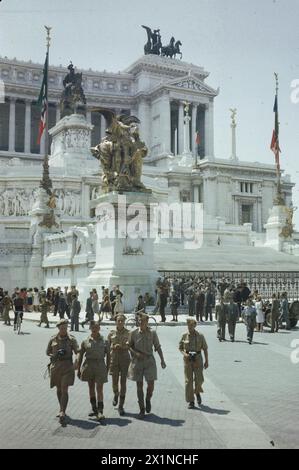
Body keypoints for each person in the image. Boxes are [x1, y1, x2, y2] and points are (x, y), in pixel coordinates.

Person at [127, 313, 166, 418]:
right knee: (139, 386)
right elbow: (129, 346)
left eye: (143, 321)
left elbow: (157, 347)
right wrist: (135, 353)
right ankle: (142, 409)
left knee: (151, 385)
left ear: (147, 322)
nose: (140, 322)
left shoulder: (153, 333)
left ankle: (148, 399)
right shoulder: (133, 333)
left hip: (149, 361)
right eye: (139, 321)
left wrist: (162, 360)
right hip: (138, 362)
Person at [46, 319, 79, 424]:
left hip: (67, 367)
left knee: (64, 388)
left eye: (65, 328)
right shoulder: (53, 339)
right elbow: (47, 352)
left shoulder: (72, 339)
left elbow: (77, 351)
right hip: (56, 367)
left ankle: (62, 411)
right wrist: (55, 355)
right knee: (59, 389)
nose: (64, 330)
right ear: (58, 328)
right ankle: (61, 407)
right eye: (62, 328)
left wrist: (77, 361)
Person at [77, 321, 108, 420]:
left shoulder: (105, 341)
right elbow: (80, 356)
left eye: (97, 327)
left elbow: (109, 355)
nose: (94, 329)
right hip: (89, 366)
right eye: (93, 327)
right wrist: (78, 369)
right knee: (91, 388)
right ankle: (94, 408)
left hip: (100, 365)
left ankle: (100, 411)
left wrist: (107, 368)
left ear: (99, 328)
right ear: (90, 328)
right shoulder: (85, 341)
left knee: (99, 388)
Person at [179, 317, 209, 409]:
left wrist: (207, 361)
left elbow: (205, 348)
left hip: (198, 358)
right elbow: (180, 347)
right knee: (188, 381)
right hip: (187, 360)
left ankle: (197, 392)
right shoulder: (184, 335)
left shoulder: (200, 336)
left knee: (199, 379)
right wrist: (185, 354)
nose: (189, 327)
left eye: (191, 325)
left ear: (195, 325)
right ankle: (191, 401)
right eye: (188, 325)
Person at [107, 314, 130, 416]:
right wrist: (113, 347)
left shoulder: (129, 333)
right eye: (118, 320)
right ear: (115, 321)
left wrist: (123, 346)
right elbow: (107, 348)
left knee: (123, 382)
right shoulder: (111, 333)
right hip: (114, 359)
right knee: (114, 382)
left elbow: (131, 346)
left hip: (125, 359)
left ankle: (121, 406)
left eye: (122, 321)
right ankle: (116, 394)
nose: (120, 322)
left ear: (124, 322)